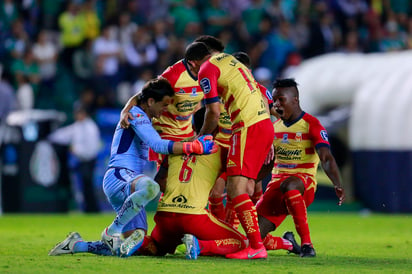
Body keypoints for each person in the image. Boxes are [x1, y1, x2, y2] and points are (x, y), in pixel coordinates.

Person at [48, 78, 217, 257]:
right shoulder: (135, 114)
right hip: (119, 175)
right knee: (152, 187)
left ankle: (78, 245)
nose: (166, 109)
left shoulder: (143, 117)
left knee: (140, 245)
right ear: (151, 102)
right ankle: (111, 230)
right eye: (164, 104)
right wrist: (193, 147)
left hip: (130, 181)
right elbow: (157, 145)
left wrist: (191, 140)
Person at [185, 42, 274, 259]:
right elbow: (260, 94)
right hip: (261, 124)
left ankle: (255, 246)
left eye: (191, 71)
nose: (194, 75)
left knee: (236, 190)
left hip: (246, 127)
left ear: (192, 64)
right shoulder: (230, 60)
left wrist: (201, 138)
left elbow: (213, 112)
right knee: (243, 188)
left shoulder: (206, 69)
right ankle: (250, 242)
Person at [256, 78, 345, 257]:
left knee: (289, 185)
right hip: (275, 188)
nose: (277, 105)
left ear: (295, 99)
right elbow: (268, 164)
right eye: (275, 101)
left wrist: (337, 184)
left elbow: (326, 157)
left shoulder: (312, 124)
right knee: (252, 238)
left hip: (303, 185)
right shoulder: (274, 128)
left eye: (282, 100)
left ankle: (307, 244)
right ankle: (288, 243)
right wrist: (249, 180)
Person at [48, 103, 101, 213]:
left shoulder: (91, 127)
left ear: (84, 114)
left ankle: (93, 210)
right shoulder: (77, 126)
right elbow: (63, 134)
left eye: (79, 113)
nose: (77, 115)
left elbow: (91, 149)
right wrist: (49, 136)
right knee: (84, 186)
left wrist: (76, 150)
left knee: (88, 186)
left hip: (89, 159)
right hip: (82, 160)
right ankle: (88, 209)